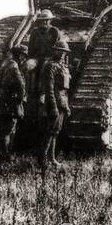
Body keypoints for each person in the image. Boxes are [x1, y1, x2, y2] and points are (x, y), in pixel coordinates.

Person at [0, 45, 28, 164]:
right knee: (9, 130)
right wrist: (21, 100)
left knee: (4, 130)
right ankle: (6, 157)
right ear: (19, 55)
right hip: (11, 104)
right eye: (23, 55)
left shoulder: (5, 65)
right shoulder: (15, 68)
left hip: (2, 102)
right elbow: (21, 86)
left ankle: (3, 156)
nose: (24, 58)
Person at [36, 39, 71, 169]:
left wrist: (66, 106)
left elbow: (65, 90)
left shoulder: (62, 66)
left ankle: (52, 158)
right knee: (50, 132)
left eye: (64, 52)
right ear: (55, 51)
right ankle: (43, 159)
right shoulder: (50, 66)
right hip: (54, 102)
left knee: (55, 131)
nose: (62, 54)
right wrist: (53, 106)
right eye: (60, 51)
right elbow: (49, 89)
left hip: (62, 102)